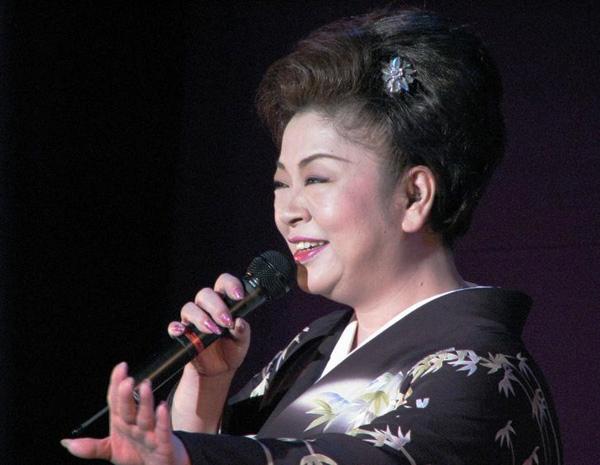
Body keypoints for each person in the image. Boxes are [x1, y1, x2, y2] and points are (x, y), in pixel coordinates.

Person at [61, 7, 563, 465]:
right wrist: (206, 387)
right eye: (281, 184)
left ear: (413, 195)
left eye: (317, 178)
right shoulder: (313, 349)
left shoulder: (484, 372)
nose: (288, 212)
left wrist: (186, 455)